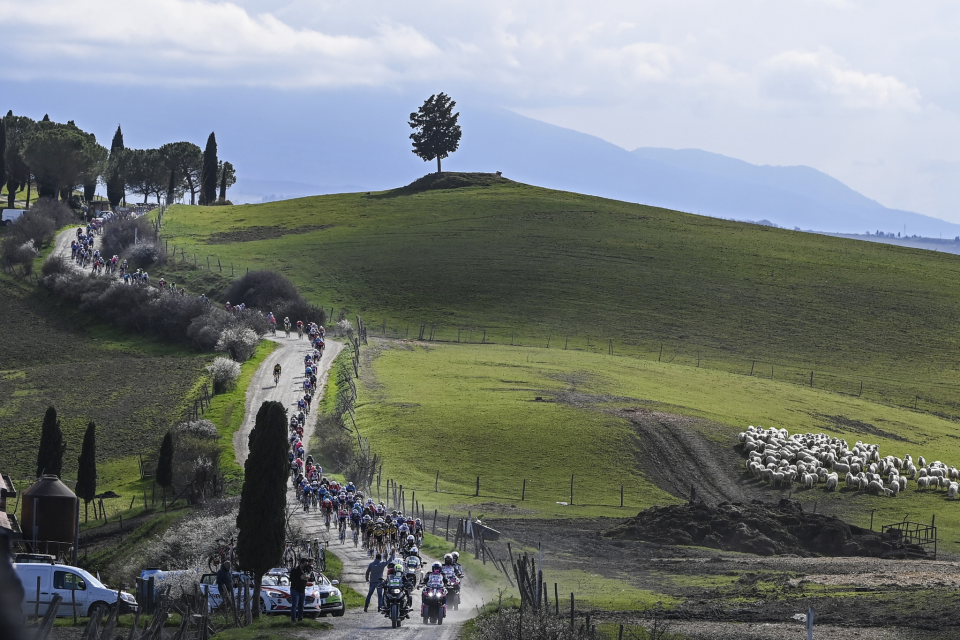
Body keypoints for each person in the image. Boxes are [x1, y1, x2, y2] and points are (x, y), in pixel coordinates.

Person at [289, 558, 313, 622]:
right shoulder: (295, 570)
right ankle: (293, 620)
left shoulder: (306, 570)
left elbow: (312, 578)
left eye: (306, 564)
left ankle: (300, 620)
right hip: (295, 589)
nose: (305, 565)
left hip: (302, 590)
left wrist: (309, 576)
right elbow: (291, 579)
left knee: (301, 606)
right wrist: (300, 578)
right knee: (294, 605)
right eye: (304, 564)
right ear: (301, 563)